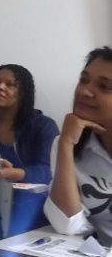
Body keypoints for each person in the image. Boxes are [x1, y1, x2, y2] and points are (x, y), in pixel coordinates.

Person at [0, 64, 59, 236]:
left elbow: (50, 171)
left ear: (23, 92)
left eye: (10, 84)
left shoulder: (43, 126)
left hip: (31, 205)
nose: (0, 87)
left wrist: (14, 174)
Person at [45, 47, 112, 246]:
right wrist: (66, 144)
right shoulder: (69, 145)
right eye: (83, 80)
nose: (84, 91)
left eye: (104, 86)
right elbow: (67, 225)